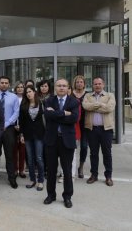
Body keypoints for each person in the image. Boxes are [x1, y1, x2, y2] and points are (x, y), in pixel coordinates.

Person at [43, 78, 79, 208]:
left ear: (68, 87)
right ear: (55, 88)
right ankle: (50, 195)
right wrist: (64, 113)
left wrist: (56, 114)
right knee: (51, 170)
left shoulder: (73, 101)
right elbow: (48, 116)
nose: (62, 88)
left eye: (64, 85)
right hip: (51, 140)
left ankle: (67, 196)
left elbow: (74, 118)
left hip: (67, 141)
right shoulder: (48, 100)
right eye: (59, 86)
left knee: (67, 171)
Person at [82, 77, 116, 187]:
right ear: (93, 85)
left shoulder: (110, 95)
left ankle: (108, 176)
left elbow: (109, 108)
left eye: (99, 83)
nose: (97, 85)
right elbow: (85, 106)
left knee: (107, 153)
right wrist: (101, 105)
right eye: (95, 84)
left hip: (106, 129)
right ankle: (94, 175)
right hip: (92, 129)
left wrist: (94, 107)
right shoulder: (88, 96)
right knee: (93, 153)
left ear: (103, 85)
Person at [0, 76, 19, 189]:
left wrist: (6, 124)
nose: (3, 84)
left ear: (9, 84)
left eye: (6, 83)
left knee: (10, 154)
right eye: (2, 82)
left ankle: (11, 178)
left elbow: (16, 112)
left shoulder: (14, 97)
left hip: (9, 129)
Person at [19, 85, 45, 191]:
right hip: (27, 134)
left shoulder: (41, 103)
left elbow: (45, 118)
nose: (28, 93)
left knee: (39, 158)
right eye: (26, 92)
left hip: (39, 134)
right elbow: (21, 121)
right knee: (30, 159)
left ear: (34, 92)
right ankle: (32, 179)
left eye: (30, 91)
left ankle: (40, 181)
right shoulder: (24, 105)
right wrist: (21, 135)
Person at [71, 75, 88, 178]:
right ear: (74, 83)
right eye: (77, 82)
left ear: (84, 84)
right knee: (72, 146)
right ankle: (69, 167)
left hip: (85, 123)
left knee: (84, 146)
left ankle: (81, 167)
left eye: (81, 82)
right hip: (73, 123)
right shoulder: (70, 94)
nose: (79, 84)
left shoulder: (88, 95)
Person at [13, 81, 26, 178]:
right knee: (13, 149)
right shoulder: (12, 98)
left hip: (24, 127)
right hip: (13, 126)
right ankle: (14, 169)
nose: (20, 89)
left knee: (22, 150)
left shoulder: (26, 99)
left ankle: (21, 170)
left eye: (22, 87)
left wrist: (22, 126)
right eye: (18, 87)